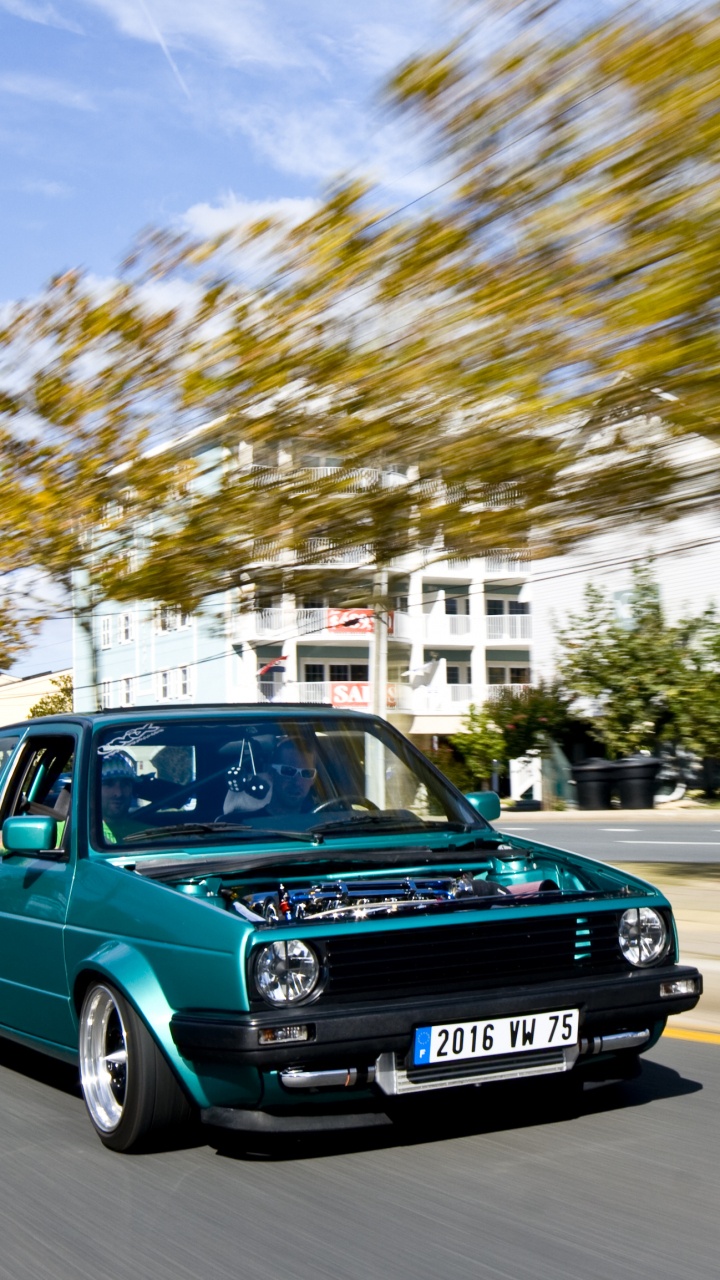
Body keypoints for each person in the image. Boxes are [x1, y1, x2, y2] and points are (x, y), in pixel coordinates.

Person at [101, 752, 145, 843]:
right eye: (108, 784)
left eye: (125, 784)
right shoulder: (69, 832)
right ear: (92, 789)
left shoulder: (152, 835)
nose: (119, 793)